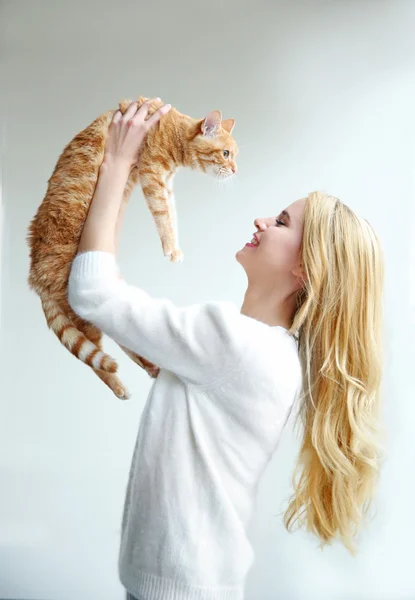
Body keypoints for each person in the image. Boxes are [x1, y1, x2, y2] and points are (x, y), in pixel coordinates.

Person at [68, 99, 386, 600]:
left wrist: (118, 161)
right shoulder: (267, 353)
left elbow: (92, 293)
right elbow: (122, 308)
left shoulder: (233, 343)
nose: (261, 220)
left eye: (281, 222)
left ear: (306, 271)